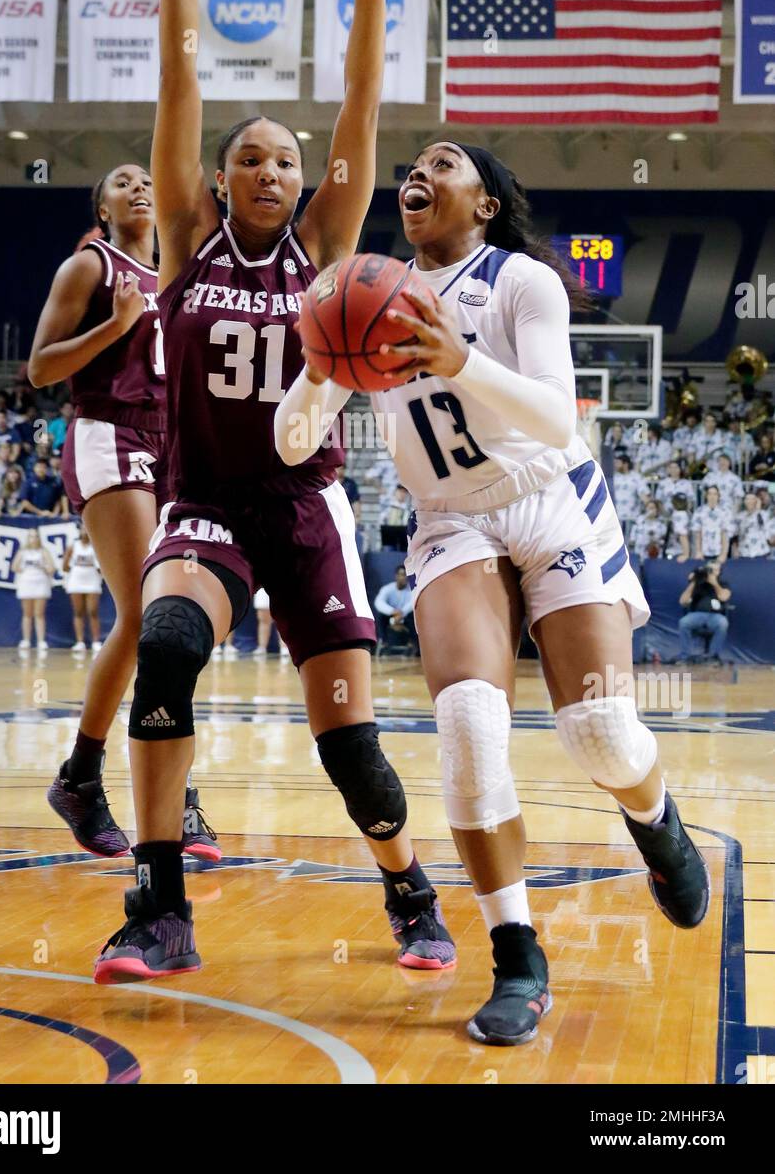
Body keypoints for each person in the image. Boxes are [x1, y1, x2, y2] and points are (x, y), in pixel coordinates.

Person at [92, 0, 454, 986]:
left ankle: (407, 889)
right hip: (201, 503)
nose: (267, 167)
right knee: (164, 649)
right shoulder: (188, 244)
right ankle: (157, 906)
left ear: (304, 184)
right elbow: (178, 76)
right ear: (215, 183)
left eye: (284, 160)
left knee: (349, 746)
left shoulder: (329, 253)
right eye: (248, 157)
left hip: (303, 511)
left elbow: (357, 98)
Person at [278, 140, 709, 1046]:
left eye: (445, 161)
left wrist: (456, 357)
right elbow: (289, 443)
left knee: (598, 730)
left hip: (553, 499)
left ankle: (654, 816)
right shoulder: (365, 288)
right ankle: (518, 954)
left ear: (484, 202)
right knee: (470, 726)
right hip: (449, 519)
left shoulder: (522, 281)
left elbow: (557, 414)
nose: (417, 174)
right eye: (414, 165)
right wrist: (322, 360)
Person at [29, 165, 217, 863]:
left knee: (176, 618)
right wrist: (116, 325)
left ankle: (96, 780)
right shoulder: (88, 266)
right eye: (120, 181)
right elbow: (42, 369)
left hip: (172, 442)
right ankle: (110, 781)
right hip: (109, 430)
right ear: (100, 207)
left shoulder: (177, 271)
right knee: (146, 615)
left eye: (146, 178)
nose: (139, 186)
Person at [62, 520, 105, 652]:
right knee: (78, 612)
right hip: (76, 581)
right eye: (83, 529)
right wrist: (76, 572)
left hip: (92, 581)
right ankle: (80, 642)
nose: (85, 531)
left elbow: (101, 567)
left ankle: (96, 642)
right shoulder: (73, 546)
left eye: (87, 529)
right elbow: (64, 566)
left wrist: (98, 571)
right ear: (79, 530)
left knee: (93, 611)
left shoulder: (96, 546)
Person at [677, 563, 731, 664]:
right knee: (683, 622)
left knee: (723, 623)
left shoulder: (723, 584)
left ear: (719, 572)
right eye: (708, 569)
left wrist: (714, 583)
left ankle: (713, 656)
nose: (710, 572)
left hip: (715, 615)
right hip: (697, 614)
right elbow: (682, 601)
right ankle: (685, 656)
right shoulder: (698, 585)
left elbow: (724, 597)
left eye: (713, 570)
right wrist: (693, 582)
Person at [11, 528, 55, 653]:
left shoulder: (43, 551)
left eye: (35, 536)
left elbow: (52, 568)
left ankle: (41, 641)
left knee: (39, 614)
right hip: (26, 583)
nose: (33, 538)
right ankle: (26, 640)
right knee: (27, 614)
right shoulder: (22, 552)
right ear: (27, 538)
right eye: (30, 536)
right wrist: (25, 571)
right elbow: (14, 567)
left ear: (39, 538)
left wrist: (43, 567)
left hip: (40, 583)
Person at [373, 566, 418, 654]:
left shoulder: (412, 590)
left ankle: (413, 643)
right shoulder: (387, 589)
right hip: (391, 617)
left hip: (405, 617)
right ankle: (384, 642)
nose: (404, 577)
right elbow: (378, 602)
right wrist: (392, 612)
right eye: (401, 575)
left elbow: (412, 603)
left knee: (413, 616)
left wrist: (401, 613)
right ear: (396, 576)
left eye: (406, 575)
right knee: (381, 617)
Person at [691, 485, 733, 564]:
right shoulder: (699, 511)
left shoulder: (725, 512)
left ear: (718, 496)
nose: (712, 497)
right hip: (703, 553)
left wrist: (723, 554)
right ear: (706, 496)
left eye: (715, 494)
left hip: (719, 553)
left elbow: (725, 534)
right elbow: (697, 533)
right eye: (710, 494)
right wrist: (698, 551)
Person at [611, 451, 648, 533]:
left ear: (625, 464)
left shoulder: (636, 477)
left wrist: (648, 506)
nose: (615, 465)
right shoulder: (613, 478)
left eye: (618, 463)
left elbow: (644, 495)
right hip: (616, 519)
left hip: (632, 518)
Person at [252, 587, 290, 660]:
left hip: (281, 585)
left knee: (281, 616)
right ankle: (262, 648)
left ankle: (284, 648)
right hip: (262, 587)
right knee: (263, 618)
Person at [734, 490, 771, 558]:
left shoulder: (764, 514)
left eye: (752, 499)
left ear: (756, 501)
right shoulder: (739, 516)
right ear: (744, 501)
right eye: (747, 499)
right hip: (744, 553)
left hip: (761, 553)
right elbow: (737, 534)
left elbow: (767, 533)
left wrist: (757, 511)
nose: (750, 501)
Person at [628, 497, 667, 561]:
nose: (650, 510)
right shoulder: (639, 521)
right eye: (649, 508)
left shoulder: (661, 525)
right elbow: (632, 539)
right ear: (645, 509)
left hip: (655, 555)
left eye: (653, 508)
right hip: (639, 553)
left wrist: (655, 542)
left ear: (657, 510)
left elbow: (663, 541)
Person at [663, 493, 691, 562]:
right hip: (677, 551)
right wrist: (686, 554)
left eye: (682, 502)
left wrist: (686, 554)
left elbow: (682, 535)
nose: (680, 504)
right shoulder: (682, 514)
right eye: (678, 502)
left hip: (676, 552)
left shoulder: (680, 514)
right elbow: (682, 535)